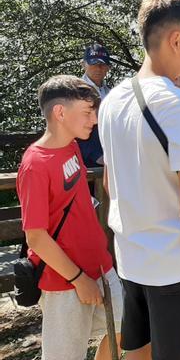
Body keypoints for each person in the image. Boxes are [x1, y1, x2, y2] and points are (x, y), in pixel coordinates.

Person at [98, 0, 180, 360]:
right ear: (174, 40)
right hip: (173, 266)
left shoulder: (111, 101)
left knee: (136, 351)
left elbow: (109, 183)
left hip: (130, 257)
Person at [16, 75, 122, 360]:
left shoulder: (72, 146)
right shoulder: (35, 165)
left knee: (126, 329)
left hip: (100, 265)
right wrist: (78, 279)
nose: (94, 120)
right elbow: (35, 237)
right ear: (60, 113)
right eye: (87, 112)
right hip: (64, 280)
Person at [79, 43, 111, 168]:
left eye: (102, 64)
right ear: (83, 64)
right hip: (87, 159)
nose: (98, 68)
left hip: (109, 156)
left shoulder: (110, 92)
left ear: (108, 67)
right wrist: (95, 155)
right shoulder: (75, 91)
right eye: (93, 64)